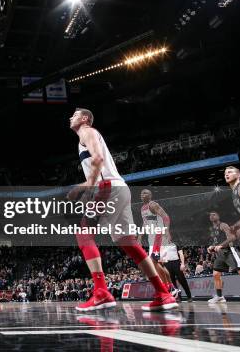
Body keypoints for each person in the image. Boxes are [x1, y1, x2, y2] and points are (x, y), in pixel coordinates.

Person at [68, 108, 177, 312]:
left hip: (108, 188)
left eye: (74, 114)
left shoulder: (87, 131)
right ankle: (163, 293)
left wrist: (88, 188)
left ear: (84, 118)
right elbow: (99, 165)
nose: (70, 117)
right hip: (120, 188)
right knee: (129, 243)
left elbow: (98, 159)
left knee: (83, 234)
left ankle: (101, 292)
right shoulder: (87, 135)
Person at [139, 189, 178, 297]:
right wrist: (140, 235)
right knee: (159, 264)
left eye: (145, 193)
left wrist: (167, 230)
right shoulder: (143, 208)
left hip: (159, 235)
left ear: (150, 195)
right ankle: (171, 287)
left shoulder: (153, 205)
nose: (142, 194)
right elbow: (144, 222)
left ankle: (167, 288)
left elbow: (166, 216)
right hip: (151, 238)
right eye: (141, 193)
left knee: (153, 262)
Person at [207, 211, 240, 303]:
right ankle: (220, 296)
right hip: (220, 254)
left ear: (218, 216)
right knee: (216, 274)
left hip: (228, 251)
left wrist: (221, 245)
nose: (212, 216)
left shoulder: (223, 225)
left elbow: (232, 237)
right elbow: (216, 242)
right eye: (210, 214)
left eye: (214, 214)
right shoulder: (213, 229)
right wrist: (212, 246)